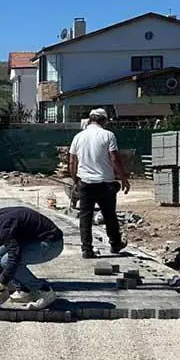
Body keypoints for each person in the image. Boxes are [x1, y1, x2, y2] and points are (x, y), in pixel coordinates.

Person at [0, 204, 65, 310]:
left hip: (51, 244)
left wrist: (1, 282)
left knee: (6, 261)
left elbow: (14, 256)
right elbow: (6, 236)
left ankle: (45, 291)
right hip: (37, 239)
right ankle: (25, 290)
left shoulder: (3, 224)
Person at [68, 108, 130, 259]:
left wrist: (75, 180)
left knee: (85, 217)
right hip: (105, 183)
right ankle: (115, 244)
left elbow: (72, 161)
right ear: (103, 120)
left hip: (86, 183)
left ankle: (87, 249)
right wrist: (123, 178)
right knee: (109, 215)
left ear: (90, 119)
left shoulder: (78, 137)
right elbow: (114, 158)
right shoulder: (108, 135)